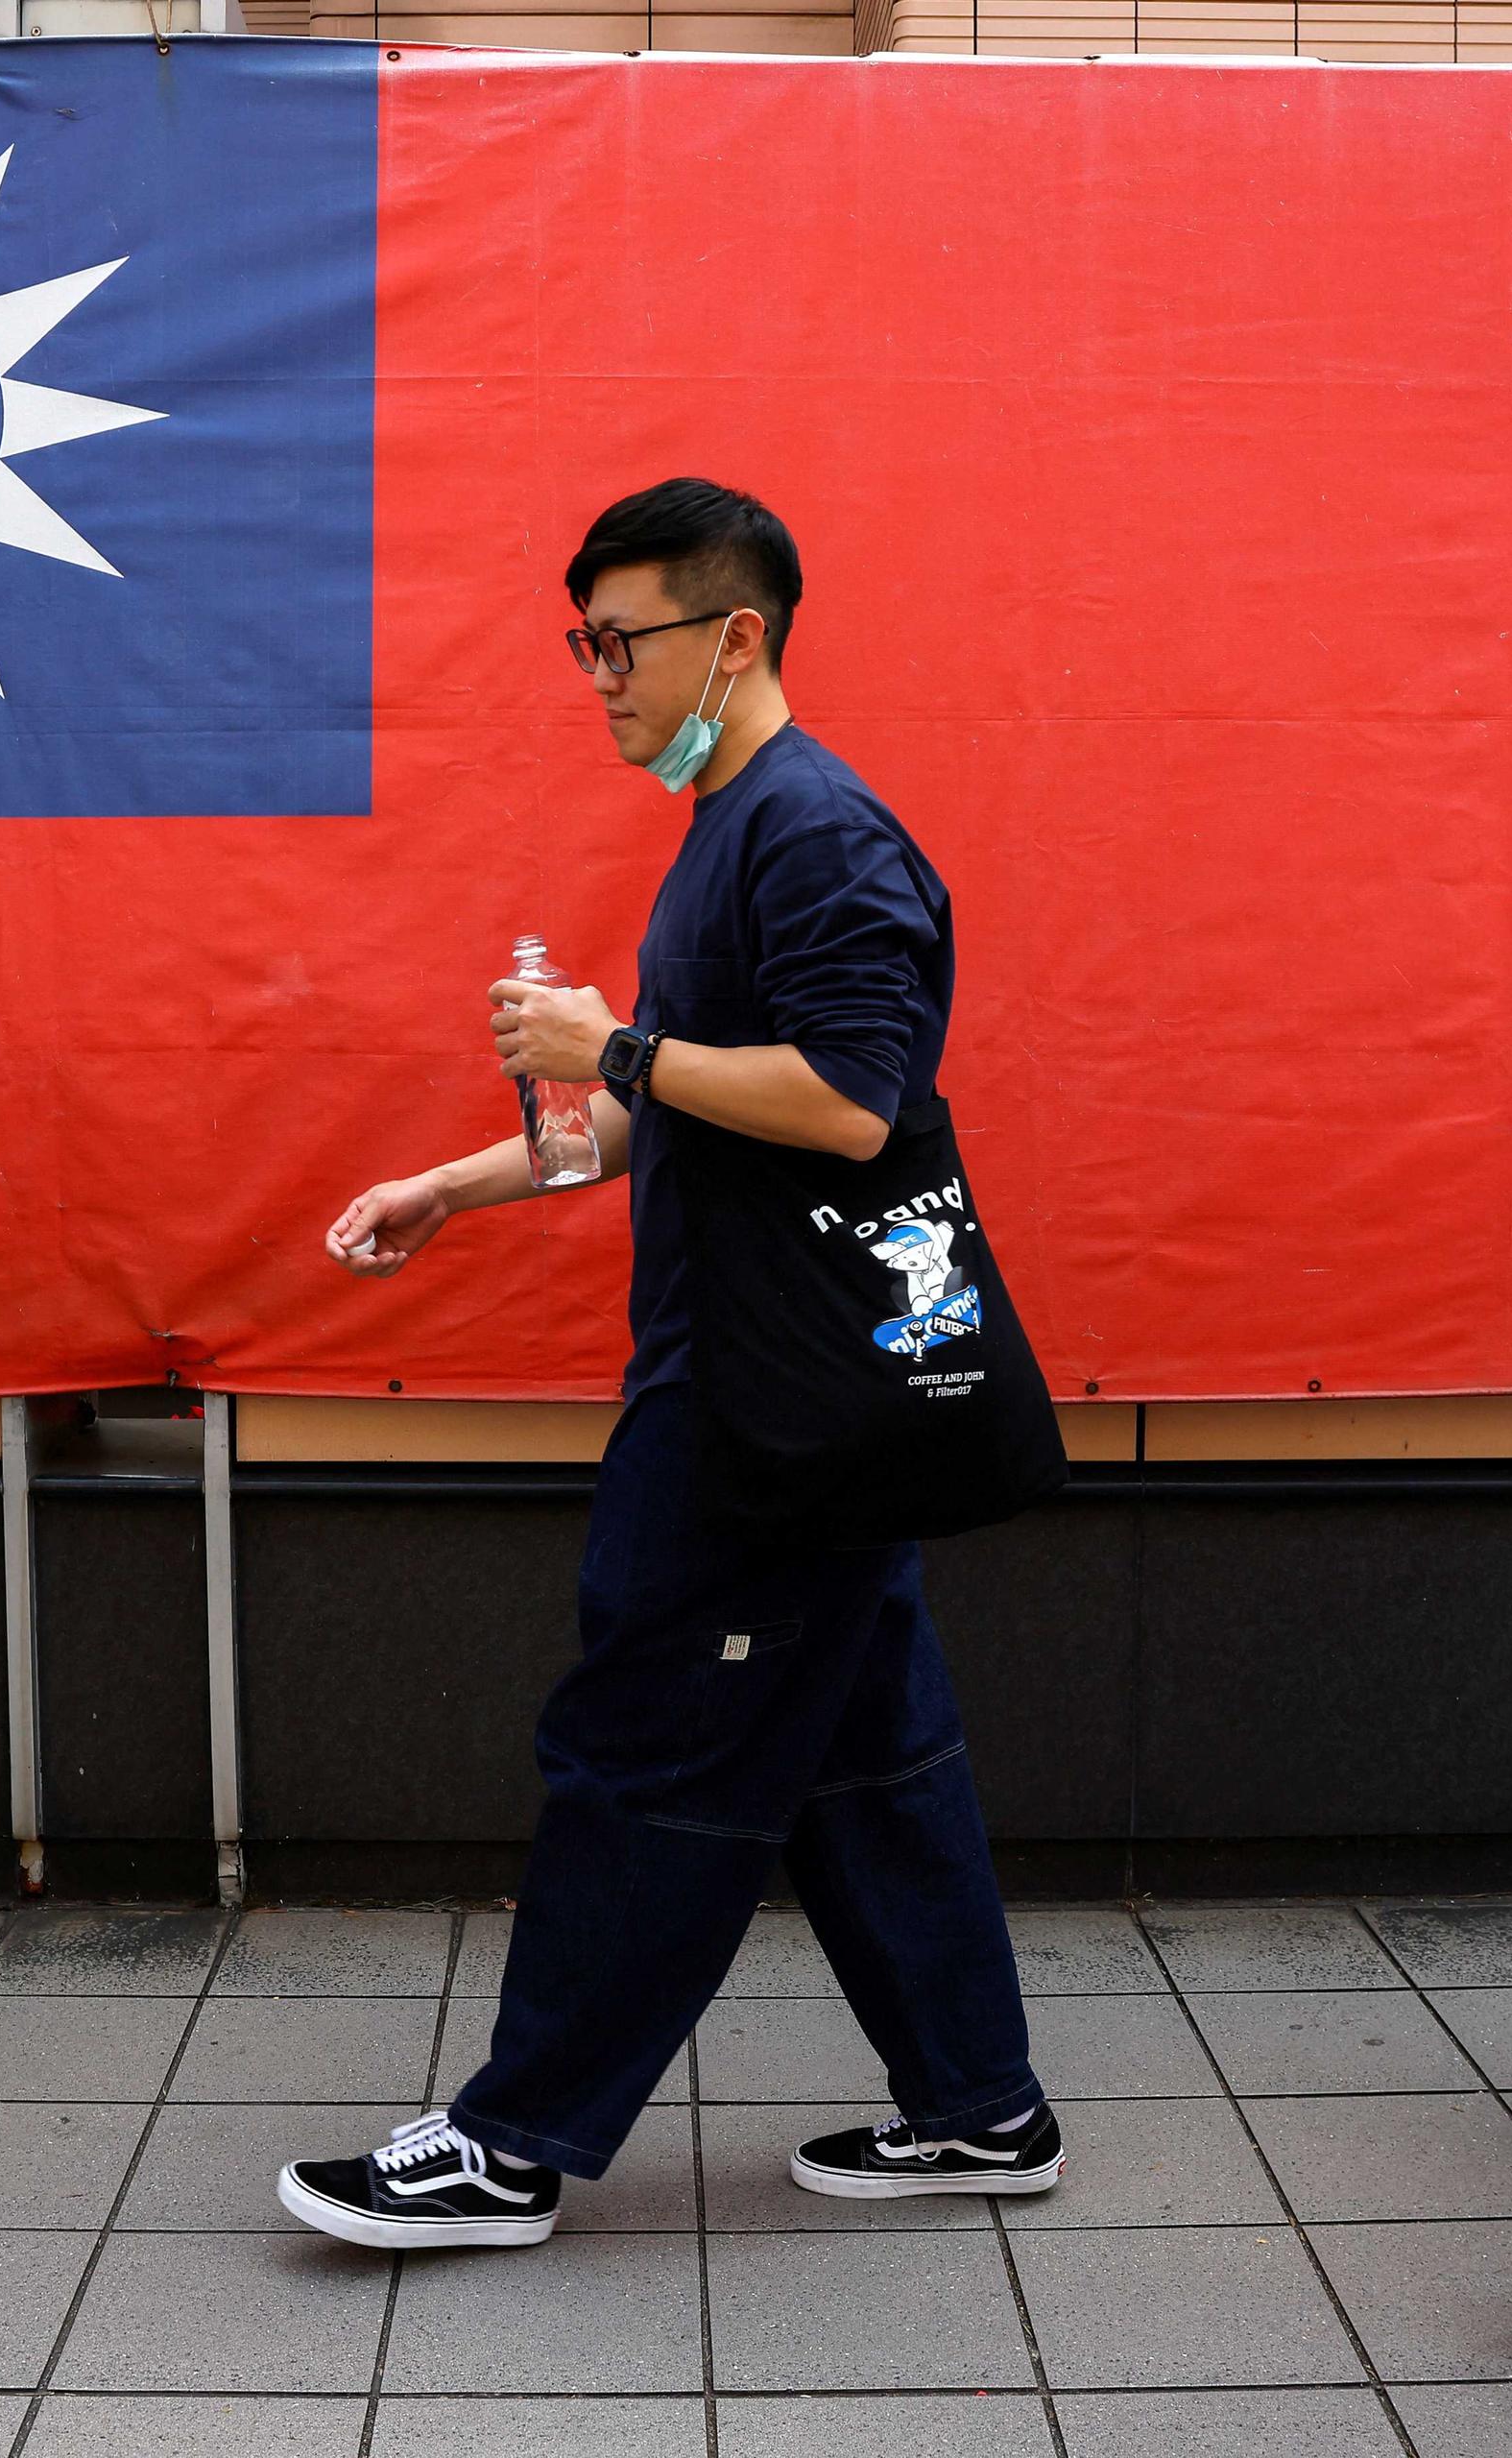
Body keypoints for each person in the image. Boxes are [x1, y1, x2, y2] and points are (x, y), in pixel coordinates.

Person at [286, 478, 1056, 2249]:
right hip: (802, 1409)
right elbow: (691, 1111)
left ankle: (515, 2141)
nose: (599, 678)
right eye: (586, 644)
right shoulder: (738, 825)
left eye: (618, 642)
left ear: (738, 636)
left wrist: (609, 1037)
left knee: (643, 1746)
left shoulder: (818, 834)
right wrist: (460, 1184)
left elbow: (850, 1107)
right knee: (869, 1760)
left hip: (760, 1417)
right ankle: (981, 2104)